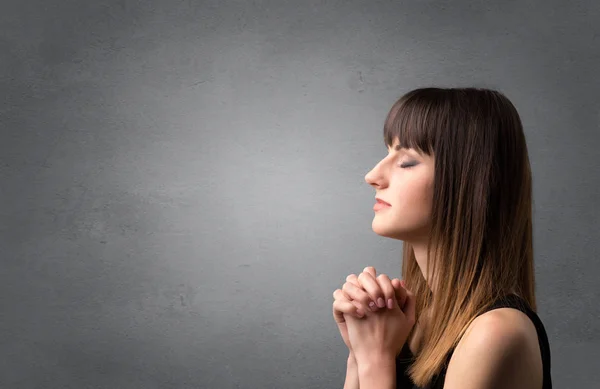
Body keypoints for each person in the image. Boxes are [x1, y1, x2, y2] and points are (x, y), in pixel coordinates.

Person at [332, 87, 552, 389]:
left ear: (471, 181)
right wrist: (359, 351)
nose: (372, 175)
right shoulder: (410, 318)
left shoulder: (495, 333)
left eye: (407, 161)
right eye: (387, 152)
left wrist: (374, 361)